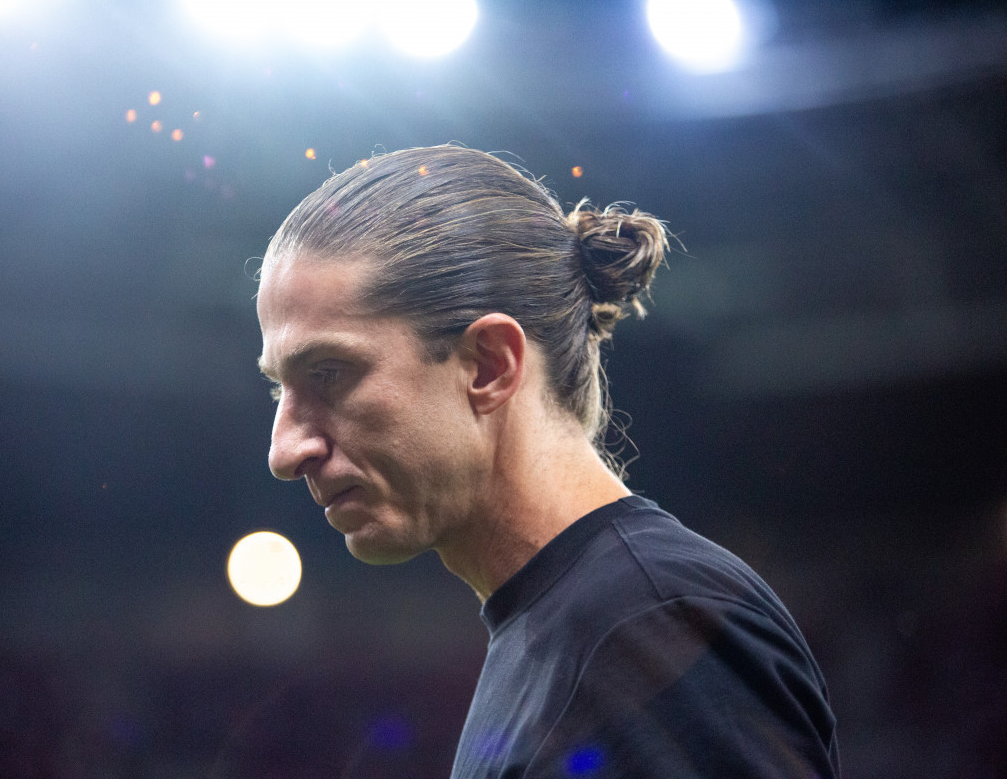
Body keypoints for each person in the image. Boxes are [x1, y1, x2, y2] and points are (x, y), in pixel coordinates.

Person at [255, 145, 839, 778]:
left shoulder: (650, 626)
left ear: (489, 365)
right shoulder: (585, 628)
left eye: (329, 373)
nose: (286, 452)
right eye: (278, 389)